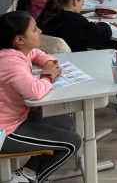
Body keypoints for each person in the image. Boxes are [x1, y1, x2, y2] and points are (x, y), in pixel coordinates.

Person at [0, 10, 82, 183]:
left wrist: (48, 62)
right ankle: (33, 179)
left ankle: (26, 173)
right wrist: (47, 75)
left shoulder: (17, 51)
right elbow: (35, 92)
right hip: (5, 131)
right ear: (19, 39)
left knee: (66, 122)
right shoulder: (10, 63)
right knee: (72, 142)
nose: (40, 31)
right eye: (34, 29)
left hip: (18, 117)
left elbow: (36, 53)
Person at [37, 0, 117, 113]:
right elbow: (103, 34)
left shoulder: (44, 16)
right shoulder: (75, 20)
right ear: (75, 1)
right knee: (111, 52)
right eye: (82, 3)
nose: (81, 6)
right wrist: (103, 23)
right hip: (77, 64)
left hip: (51, 63)